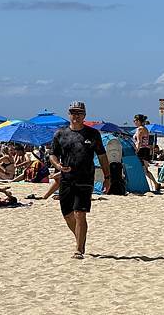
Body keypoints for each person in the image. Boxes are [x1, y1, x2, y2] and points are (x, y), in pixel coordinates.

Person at [50, 101, 111, 259]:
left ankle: (79, 249)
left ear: (84, 115)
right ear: (68, 114)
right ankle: (80, 238)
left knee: (80, 213)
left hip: (85, 178)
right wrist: (58, 165)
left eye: (79, 113)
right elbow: (53, 154)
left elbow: (102, 156)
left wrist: (107, 177)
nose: (76, 116)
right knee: (67, 214)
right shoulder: (60, 134)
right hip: (66, 179)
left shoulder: (92, 134)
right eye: (73, 113)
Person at [133, 114, 161, 192]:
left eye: (134, 121)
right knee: (145, 170)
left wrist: (136, 151)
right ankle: (155, 183)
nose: (134, 122)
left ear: (138, 121)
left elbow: (139, 142)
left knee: (140, 169)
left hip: (141, 151)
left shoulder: (139, 129)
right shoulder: (145, 129)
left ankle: (140, 185)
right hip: (146, 150)